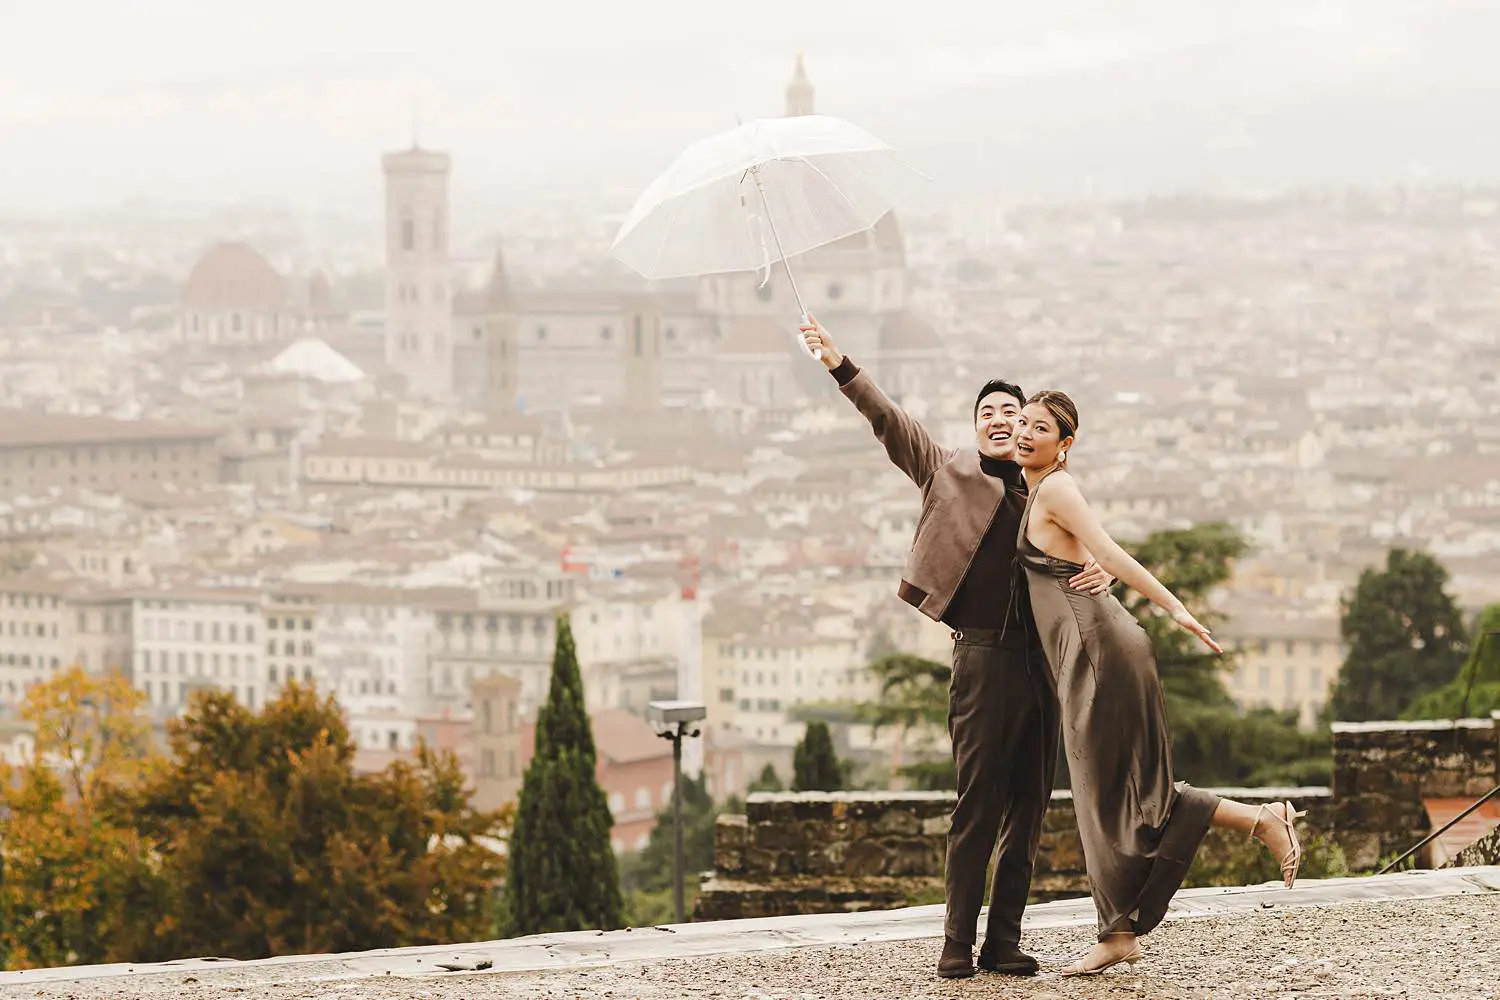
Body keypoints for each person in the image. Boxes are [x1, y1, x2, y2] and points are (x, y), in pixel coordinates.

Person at [799, 316, 1110, 980]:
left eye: (1012, 413)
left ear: (1029, 428)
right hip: (982, 658)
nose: (1001, 420)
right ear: (976, 427)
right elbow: (888, 420)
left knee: (1029, 808)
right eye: (988, 412)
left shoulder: (1047, 491)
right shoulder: (946, 471)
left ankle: (1003, 942)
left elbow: (1089, 554)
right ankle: (955, 944)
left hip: (1042, 663)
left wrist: (1100, 572)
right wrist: (837, 362)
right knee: (977, 806)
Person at [1011, 389, 1305, 977]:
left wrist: (1176, 609)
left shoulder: (1058, 488)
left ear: (1064, 445)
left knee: (1113, 794)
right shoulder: (1035, 488)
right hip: (1086, 651)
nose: (1024, 432)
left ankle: (1259, 824)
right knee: (1110, 794)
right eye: (1023, 421)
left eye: (1040, 428)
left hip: (1099, 650)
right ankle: (1121, 930)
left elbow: (1109, 552)